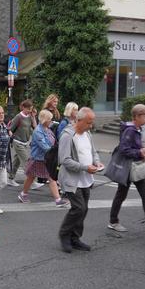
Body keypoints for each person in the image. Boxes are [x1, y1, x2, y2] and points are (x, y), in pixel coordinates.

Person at [108, 104, 145, 233]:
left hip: (135, 167)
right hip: (129, 168)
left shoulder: (136, 129)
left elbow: (135, 146)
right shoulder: (130, 130)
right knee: (122, 194)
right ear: (136, 117)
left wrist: (142, 151)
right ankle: (113, 221)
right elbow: (124, 149)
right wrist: (139, 153)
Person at [58, 108, 103, 253]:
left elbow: (93, 152)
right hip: (72, 180)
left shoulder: (87, 133)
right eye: (89, 123)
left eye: (92, 123)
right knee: (78, 208)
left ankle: (75, 238)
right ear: (79, 120)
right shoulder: (67, 136)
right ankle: (64, 235)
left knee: (84, 210)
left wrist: (97, 162)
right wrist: (85, 167)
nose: (91, 126)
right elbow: (64, 160)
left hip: (86, 179)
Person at [18, 109, 69, 207]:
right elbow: (45, 147)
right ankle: (24, 194)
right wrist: (56, 151)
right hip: (38, 159)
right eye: (50, 119)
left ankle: (24, 194)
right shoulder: (38, 131)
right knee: (34, 177)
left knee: (45, 177)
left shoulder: (47, 129)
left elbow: (53, 141)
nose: (51, 121)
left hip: (45, 159)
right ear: (44, 120)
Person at [7, 100, 38, 187]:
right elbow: (10, 128)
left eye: (31, 109)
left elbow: (35, 128)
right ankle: (32, 182)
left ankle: (10, 178)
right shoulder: (18, 117)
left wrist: (33, 117)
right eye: (28, 109)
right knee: (27, 161)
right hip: (18, 142)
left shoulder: (29, 116)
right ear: (23, 107)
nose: (29, 111)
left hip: (25, 142)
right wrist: (12, 136)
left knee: (16, 162)